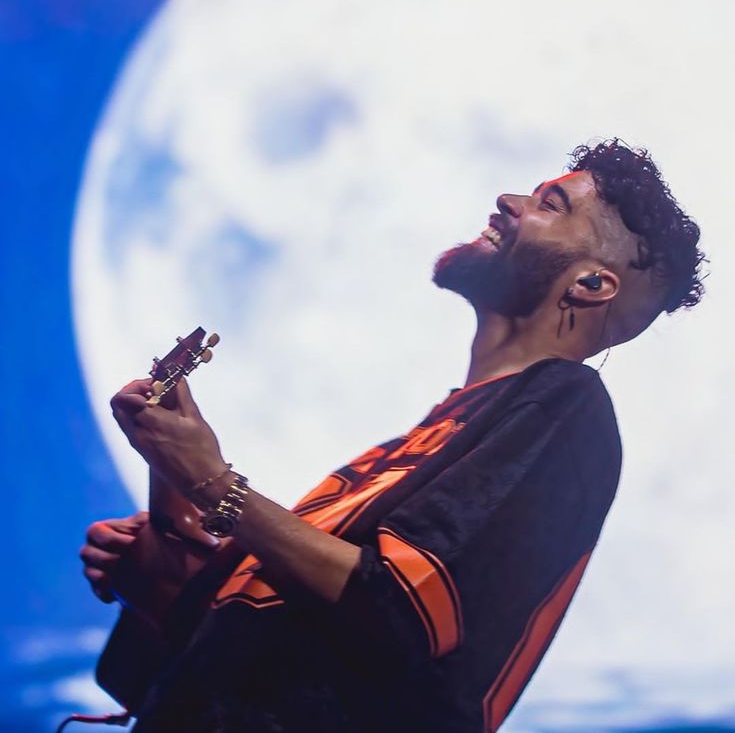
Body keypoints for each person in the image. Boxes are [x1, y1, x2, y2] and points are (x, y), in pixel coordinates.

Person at [81, 138, 705, 733]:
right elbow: (230, 640)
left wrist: (212, 483)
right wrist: (166, 505)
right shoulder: (414, 447)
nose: (509, 202)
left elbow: (394, 612)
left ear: (591, 285)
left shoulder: (566, 410)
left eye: (550, 205)